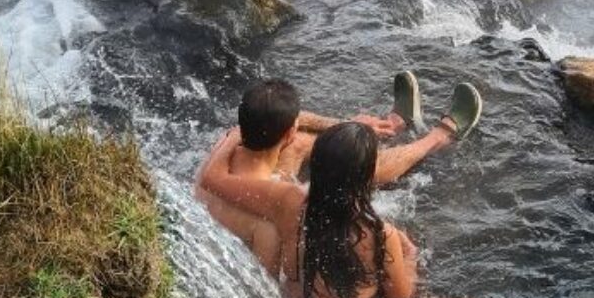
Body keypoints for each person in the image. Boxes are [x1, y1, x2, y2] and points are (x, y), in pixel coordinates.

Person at [198, 120, 493, 298]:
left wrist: (235, 133)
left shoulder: (286, 201)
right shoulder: (378, 235)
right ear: (367, 180)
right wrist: (411, 258)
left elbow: (213, 179)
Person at [193, 73, 477, 275]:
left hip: (246, 211)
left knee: (304, 144)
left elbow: (290, 120)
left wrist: (344, 124)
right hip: (285, 262)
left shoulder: (224, 150)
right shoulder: (283, 195)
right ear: (288, 132)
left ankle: (380, 129)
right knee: (346, 163)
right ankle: (437, 138)